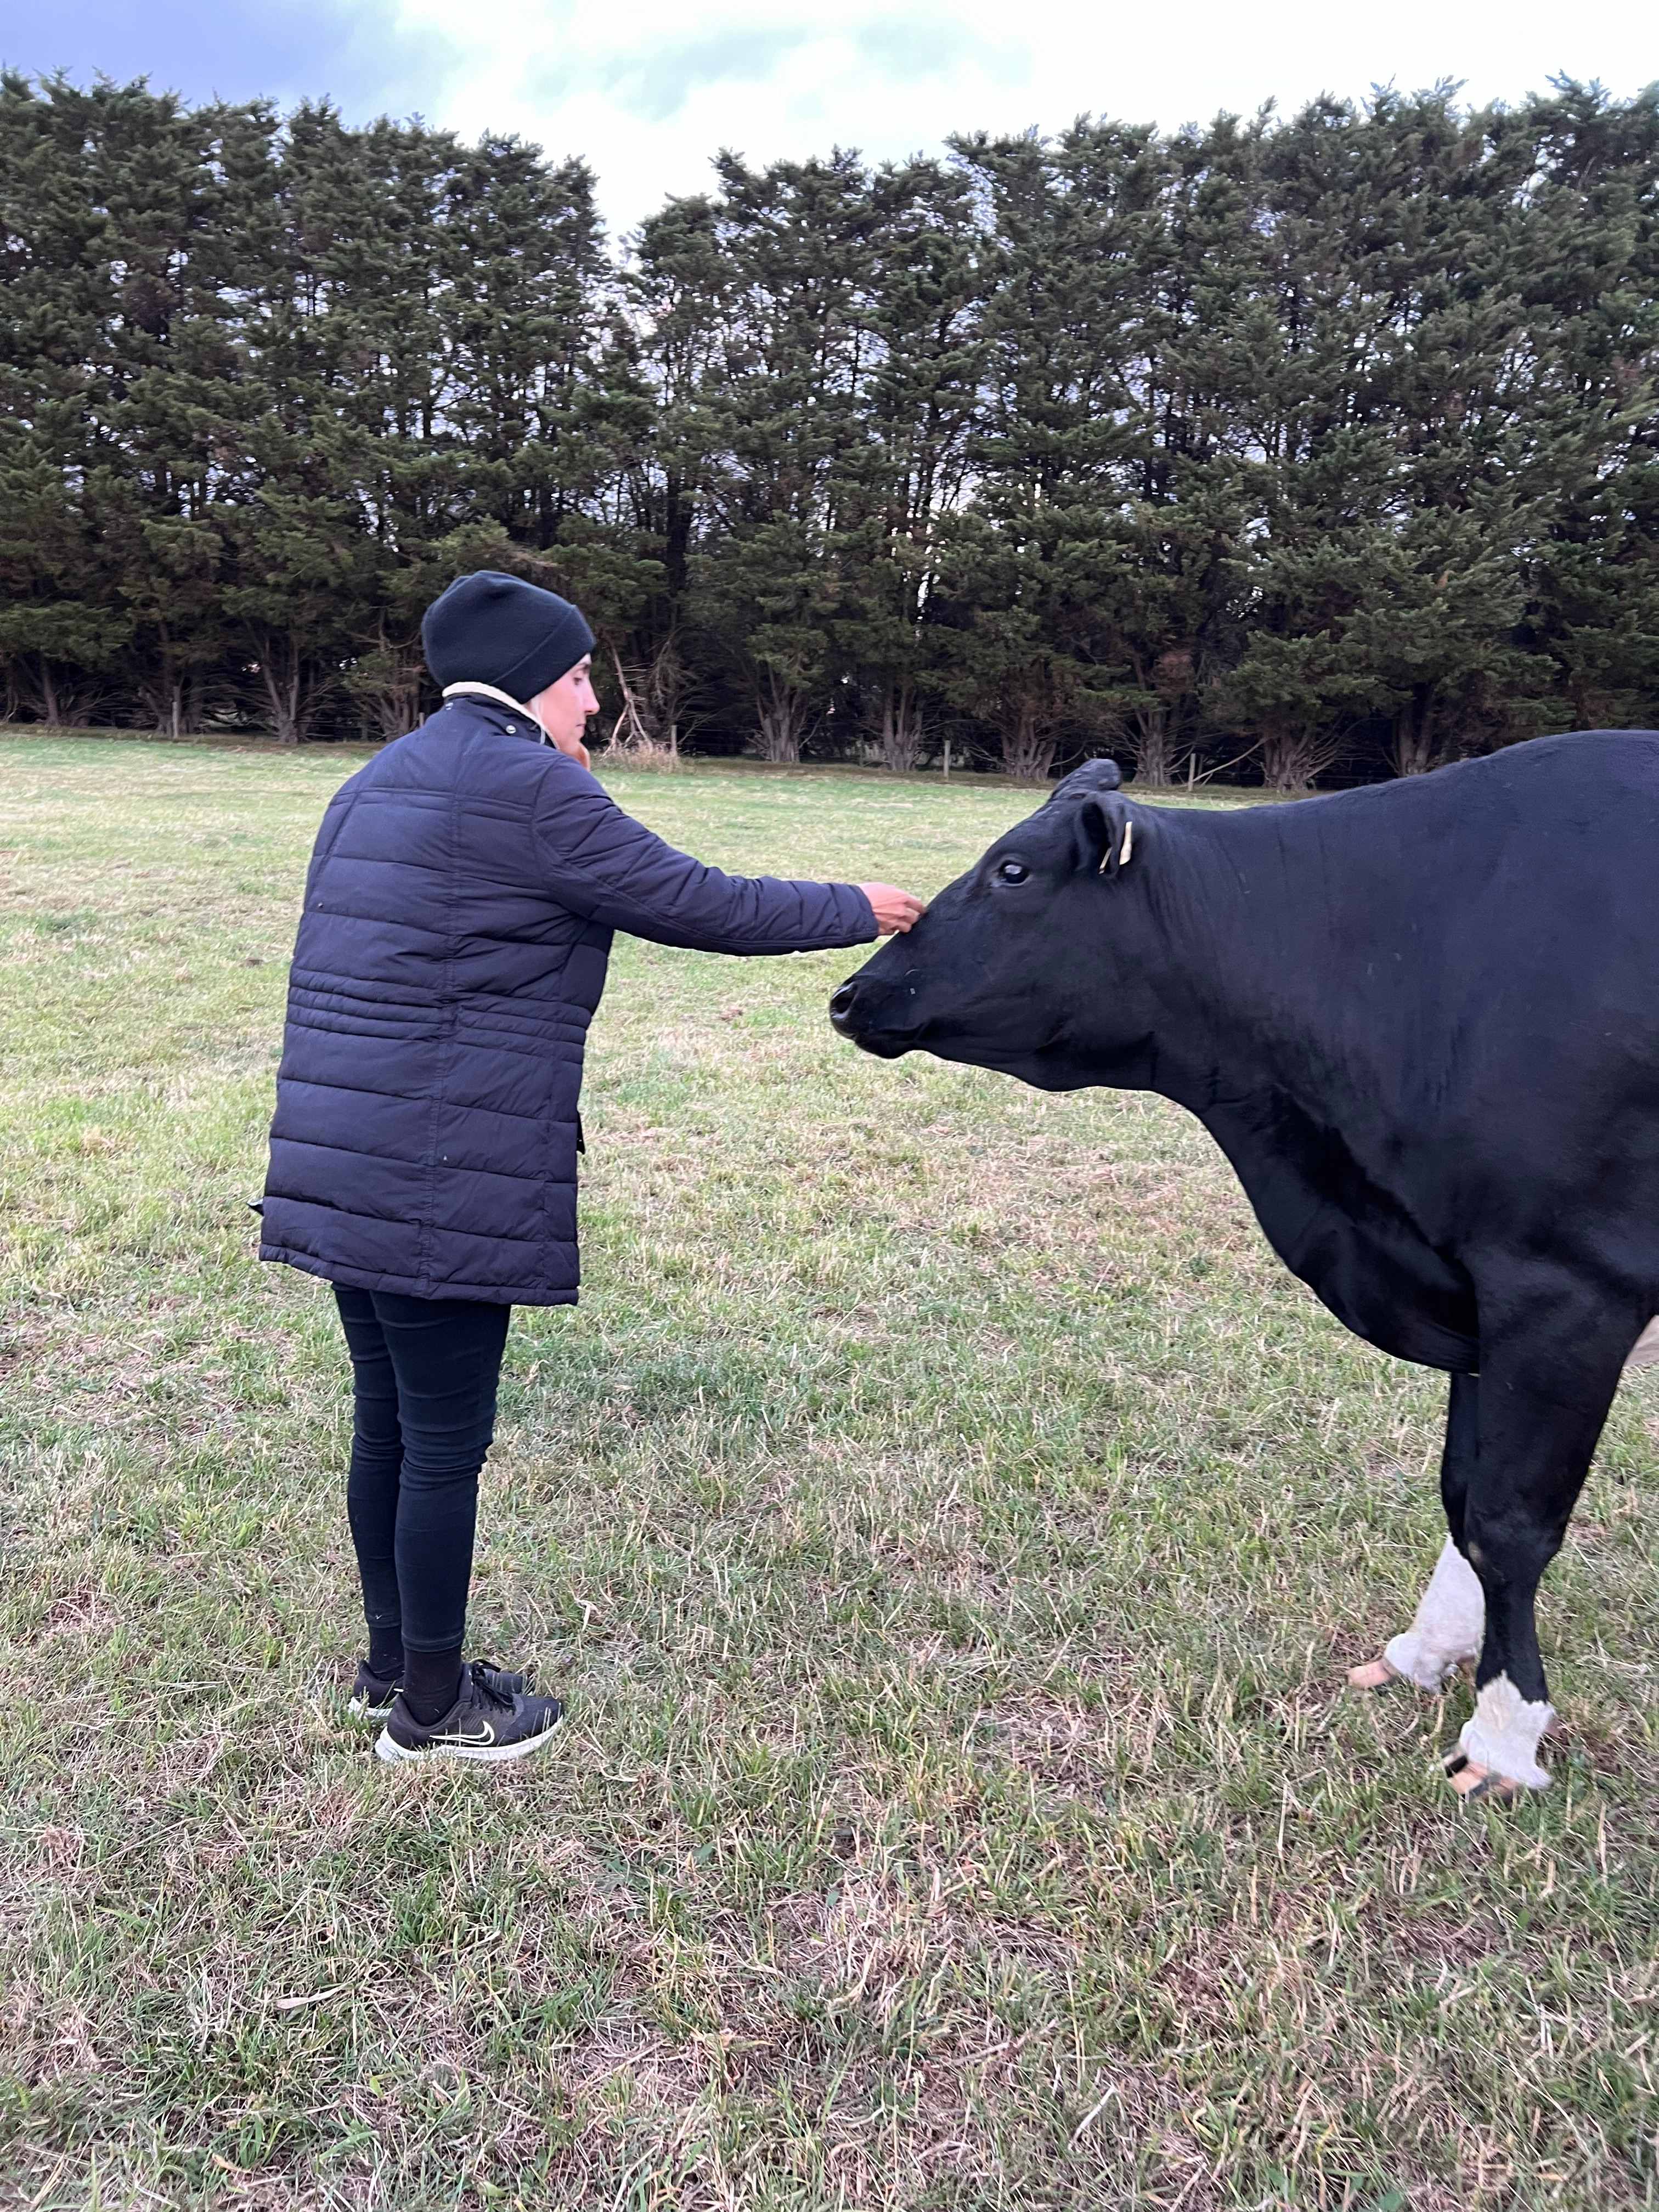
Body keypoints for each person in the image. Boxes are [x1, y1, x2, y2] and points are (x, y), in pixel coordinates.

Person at [259, 571, 925, 1764]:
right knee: (442, 1445)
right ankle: (432, 1711)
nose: (598, 699)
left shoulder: (374, 783)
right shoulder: (524, 788)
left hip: (347, 1160)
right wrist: (856, 906)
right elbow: (695, 900)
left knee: (390, 1426)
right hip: (440, 1175)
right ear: (529, 681)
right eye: (578, 677)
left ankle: (391, 1665)